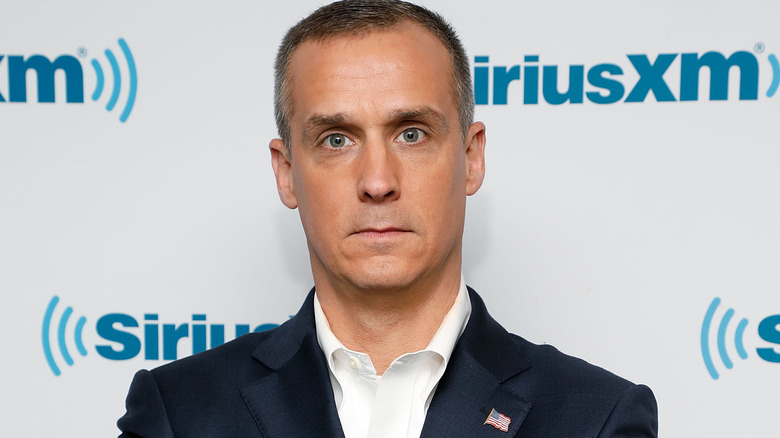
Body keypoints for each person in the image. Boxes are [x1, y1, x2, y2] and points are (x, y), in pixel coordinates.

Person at [117, 1, 658, 436]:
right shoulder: (179, 414)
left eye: (411, 133)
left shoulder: (596, 418)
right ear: (286, 173)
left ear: (471, 158)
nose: (377, 181)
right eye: (336, 139)